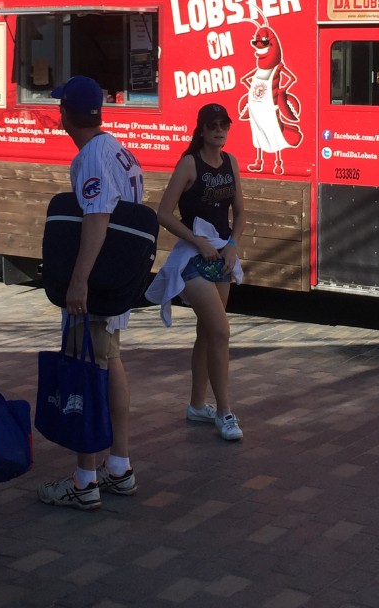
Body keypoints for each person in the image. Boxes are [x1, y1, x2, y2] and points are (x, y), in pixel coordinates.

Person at [37, 76, 143, 511]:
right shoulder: (115, 147)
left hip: (97, 285)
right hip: (117, 280)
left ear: (67, 115)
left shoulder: (93, 158)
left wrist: (79, 280)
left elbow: (97, 218)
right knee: (109, 363)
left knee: (86, 371)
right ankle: (117, 466)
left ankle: (86, 480)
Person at [146, 102, 245, 442]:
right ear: (201, 130)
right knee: (221, 332)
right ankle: (224, 411)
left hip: (222, 258)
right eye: (213, 125)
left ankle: (196, 405)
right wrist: (198, 241)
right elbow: (163, 213)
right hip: (193, 258)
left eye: (225, 125)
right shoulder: (189, 164)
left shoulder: (230, 163)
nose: (220, 130)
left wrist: (232, 244)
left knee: (207, 333)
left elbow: (241, 214)